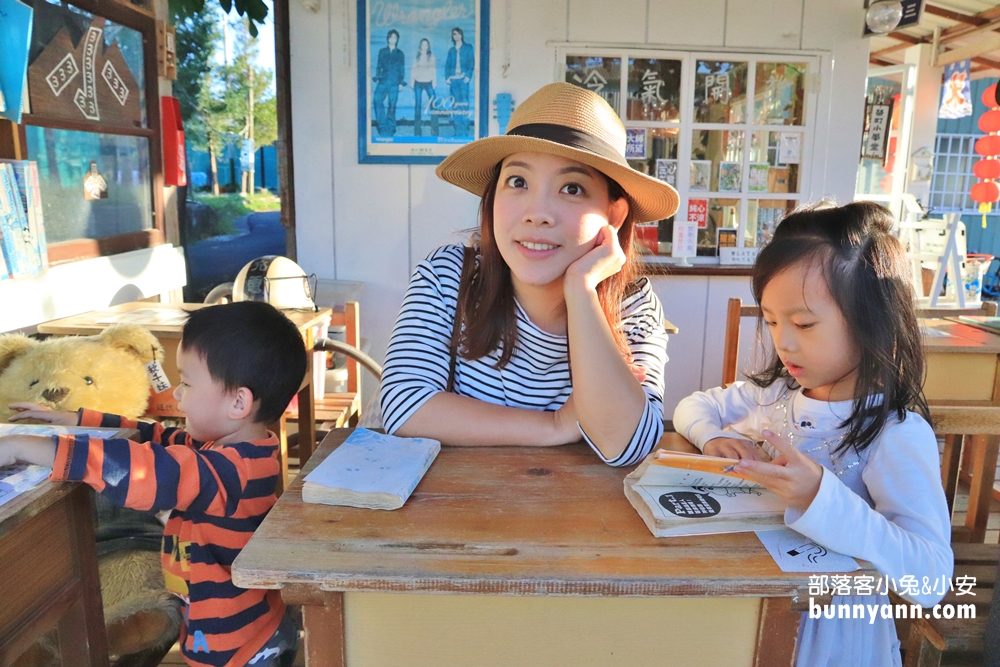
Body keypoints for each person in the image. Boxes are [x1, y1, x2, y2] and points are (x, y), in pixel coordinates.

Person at [672, 202, 953, 667]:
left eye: (803, 324)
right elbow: (693, 405)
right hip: (749, 608)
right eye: (772, 320)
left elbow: (931, 577)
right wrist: (710, 437)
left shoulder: (894, 433)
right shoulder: (777, 395)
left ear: (872, 323)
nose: (784, 341)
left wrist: (821, 495)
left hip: (833, 634)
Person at [379, 82, 678, 466]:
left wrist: (581, 289)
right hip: (454, 516)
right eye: (518, 182)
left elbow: (628, 445)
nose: (537, 213)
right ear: (492, 199)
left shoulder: (632, 306)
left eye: (572, 188)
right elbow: (405, 407)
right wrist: (554, 425)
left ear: (614, 214)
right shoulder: (448, 276)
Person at [0, 301, 307, 667]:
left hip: (239, 645)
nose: (177, 394)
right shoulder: (230, 449)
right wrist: (77, 417)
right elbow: (152, 435)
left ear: (239, 402)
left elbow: (143, 469)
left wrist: (29, 446)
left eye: (187, 383)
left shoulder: (229, 472)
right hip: (229, 626)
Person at [372, 29, 405, 137]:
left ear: (397, 40)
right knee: (377, 100)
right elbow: (378, 65)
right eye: (391, 37)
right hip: (383, 80)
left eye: (395, 37)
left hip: (395, 82)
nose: (393, 39)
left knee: (392, 105)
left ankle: (391, 128)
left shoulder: (400, 53)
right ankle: (382, 127)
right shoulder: (382, 51)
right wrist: (377, 77)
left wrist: (401, 83)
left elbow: (402, 69)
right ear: (388, 38)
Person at [444, 27, 474, 136]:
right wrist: (447, 77)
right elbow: (447, 65)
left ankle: (464, 127)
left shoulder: (468, 48)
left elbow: (471, 62)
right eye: (453, 34)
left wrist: (468, 76)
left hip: (463, 79)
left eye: (457, 34)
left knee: (464, 102)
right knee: (455, 104)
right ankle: (457, 127)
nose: (456, 36)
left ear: (461, 35)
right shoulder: (451, 50)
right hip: (453, 80)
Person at [410, 38, 437, 136]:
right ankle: (417, 130)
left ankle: (435, 129)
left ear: (428, 46)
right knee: (418, 105)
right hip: (418, 82)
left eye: (426, 45)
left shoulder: (431, 57)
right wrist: (412, 82)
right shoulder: (417, 57)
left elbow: (434, 70)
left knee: (434, 104)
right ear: (420, 46)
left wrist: (434, 82)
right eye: (422, 44)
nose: (424, 46)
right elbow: (413, 69)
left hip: (429, 82)